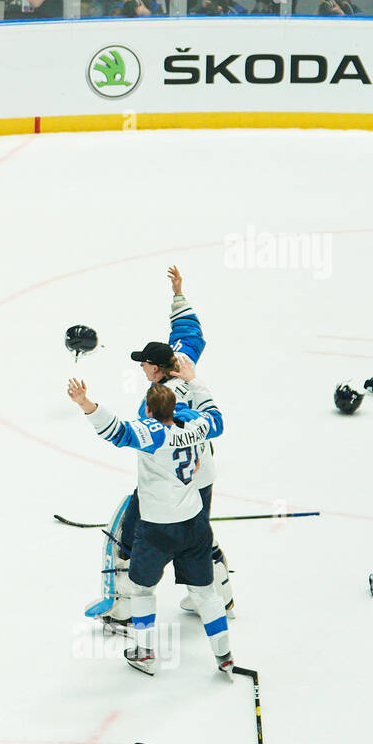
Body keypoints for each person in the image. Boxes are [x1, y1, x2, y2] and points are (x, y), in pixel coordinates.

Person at [67, 377, 231, 677]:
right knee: (206, 593)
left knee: (142, 591)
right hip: (194, 523)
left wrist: (85, 404)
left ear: (150, 412)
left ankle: (144, 653)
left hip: (157, 528)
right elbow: (216, 419)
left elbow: (115, 430)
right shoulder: (195, 425)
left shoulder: (153, 433)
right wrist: (195, 385)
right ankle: (224, 656)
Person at [103, 268, 233, 629]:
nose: (141, 367)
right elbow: (189, 333)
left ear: (158, 370)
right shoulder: (183, 363)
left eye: (144, 363)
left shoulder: (163, 400)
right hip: (200, 471)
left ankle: (126, 606)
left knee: (133, 533)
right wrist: (179, 294)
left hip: (167, 478)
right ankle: (220, 594)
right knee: (197, 532)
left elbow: (144, 431)